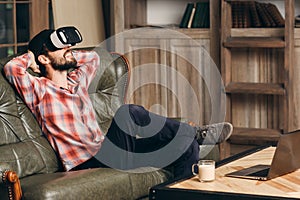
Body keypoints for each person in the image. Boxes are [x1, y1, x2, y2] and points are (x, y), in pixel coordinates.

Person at [4, 26, 233, 179]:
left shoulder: (77, 79)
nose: (69, 50)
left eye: (68, 47)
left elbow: (94, 56)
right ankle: (195, 132)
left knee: (184, 146)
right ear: (43, 58)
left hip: (110, 149)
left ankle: (183, 182)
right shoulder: (38, 89)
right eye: (60, 48)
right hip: (86, 162)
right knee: (128, 113)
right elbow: (11, 68)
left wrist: (62, 52)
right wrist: (32, 59)